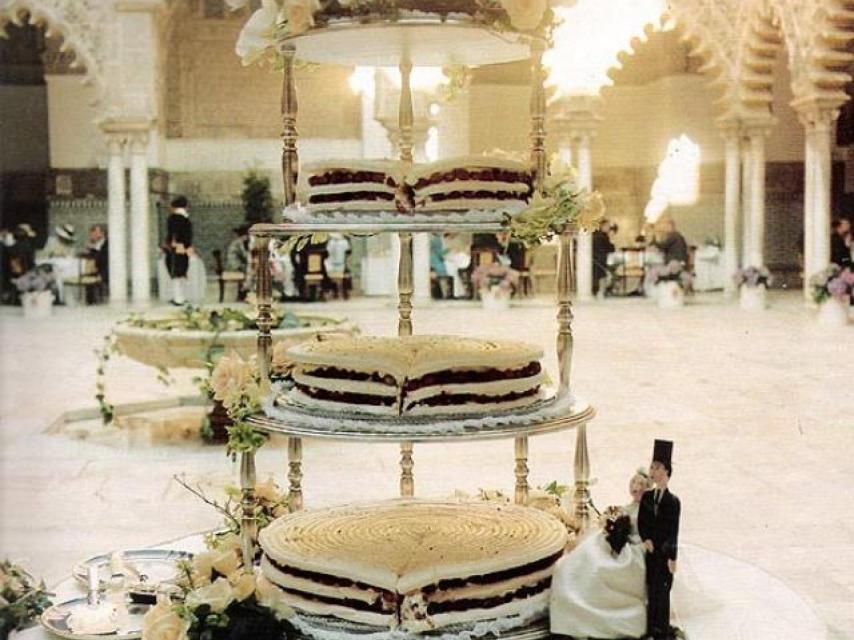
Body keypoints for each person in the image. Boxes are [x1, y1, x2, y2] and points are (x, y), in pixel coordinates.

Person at [550, 469, 652, 639]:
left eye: (641, 485)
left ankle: (589, 611)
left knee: (598, 567)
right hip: (614, 543)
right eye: (634, 483)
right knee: (577, 558)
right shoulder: (627, 508)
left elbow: (645, 536)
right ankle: (569, 597)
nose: (636, 488)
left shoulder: (648, 512)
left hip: (630, 553)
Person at [638, 439, 681, 640]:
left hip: (664, 554)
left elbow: (674, 531)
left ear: (666, 471)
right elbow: (642, 521)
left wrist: (672, 556)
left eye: (657, 467)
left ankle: (662, 631)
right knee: (651, 589)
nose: (653, 471)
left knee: (663, 591)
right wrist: (645, 538)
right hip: (650, 552)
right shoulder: (647, 497)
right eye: (652, 467)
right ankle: (651, 628)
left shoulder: (673, 502)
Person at [163, 196, 193, 305]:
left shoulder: (173, 218)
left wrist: (170, 244)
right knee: (182, 272)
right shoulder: (185, 218)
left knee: (176, 273)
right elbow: (187, 236)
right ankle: (181, 297)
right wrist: (187, 246)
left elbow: (172, 234)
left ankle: (178, 298)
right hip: (183, 248)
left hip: (176, 248)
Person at [592, 219, 615, 296]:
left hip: (595, 259)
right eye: (608, 226)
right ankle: (601, 292)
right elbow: (610, 249)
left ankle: (597, 291)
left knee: (597, 276)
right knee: (602, 275)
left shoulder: (594, 234)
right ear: (603, 226)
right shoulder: (603, 236)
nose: (609, 228)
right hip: (601, 259)